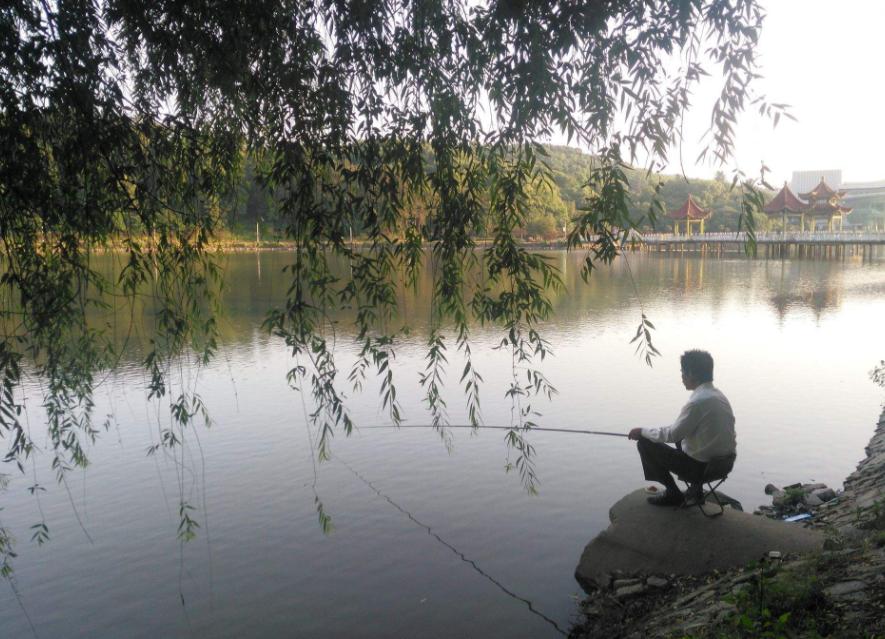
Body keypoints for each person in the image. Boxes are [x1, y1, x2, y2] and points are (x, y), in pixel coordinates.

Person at [627, 350, 736, 506]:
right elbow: (678, 432)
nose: (681, 377)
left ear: (691, 374)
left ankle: (673, 493)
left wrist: (642, 432)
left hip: (701, 470)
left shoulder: (697, 402)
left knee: (645, 444)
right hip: (723, 465)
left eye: (682, 372)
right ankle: (696, 491)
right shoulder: (718, 396)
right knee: (682, 438)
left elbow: (672, 434)